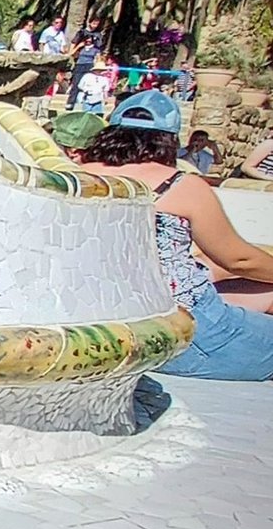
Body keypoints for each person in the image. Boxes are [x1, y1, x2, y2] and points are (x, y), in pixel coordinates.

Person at [73, 90, 273, 379]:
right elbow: (239, 259)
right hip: (180, 335)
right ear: (169, 140)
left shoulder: (76, 176)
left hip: (105, 324)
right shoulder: (180, 185)